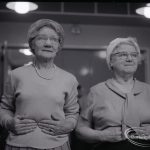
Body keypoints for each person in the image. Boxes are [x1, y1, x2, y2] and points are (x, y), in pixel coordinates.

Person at [0, 19, 79, 150]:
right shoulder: (15, 75)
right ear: (32, 44)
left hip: (57, 145)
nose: (48, 43)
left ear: (58, 46)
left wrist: (68, 125)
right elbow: (5, 108)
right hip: (18, 145)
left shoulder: (69, 79)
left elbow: (72, 113)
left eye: (54, 39)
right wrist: (9, 122)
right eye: (41, 38)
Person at [76, 37, 150, 150]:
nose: (129, 58)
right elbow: (80, 130)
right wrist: (102, 135)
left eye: (134, 55)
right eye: (123, 55)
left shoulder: (148, 90)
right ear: (111, 61)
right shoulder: (96, 92)